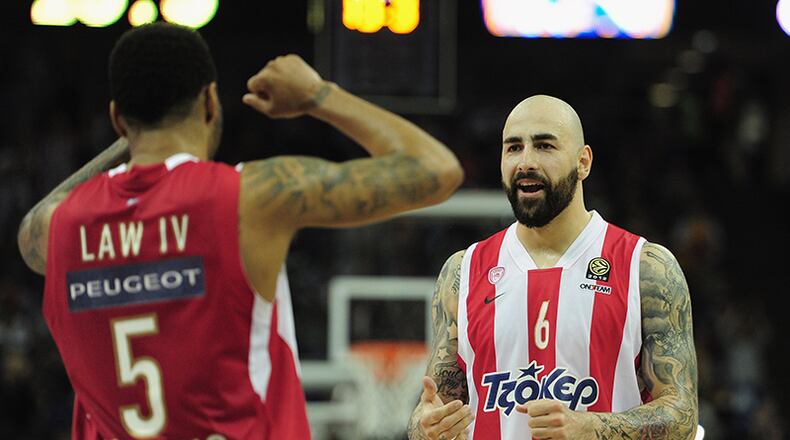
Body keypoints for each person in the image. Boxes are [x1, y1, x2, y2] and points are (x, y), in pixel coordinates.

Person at [17, 23, 463, 439]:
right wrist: (318, 95)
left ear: (117, 119)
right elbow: (436, 169)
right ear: (211, 102)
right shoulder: (247, 198)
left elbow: (32, 221)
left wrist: (132, 138)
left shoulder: (57, 228)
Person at [408, 95, 699, 440]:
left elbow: (682, 414)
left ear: (583, 162)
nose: (525, 161)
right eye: (513, 148)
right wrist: (425, 426)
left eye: (544, 146)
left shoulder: (646, 267)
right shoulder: (463, 272)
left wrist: (590, 427)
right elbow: (432, 409)